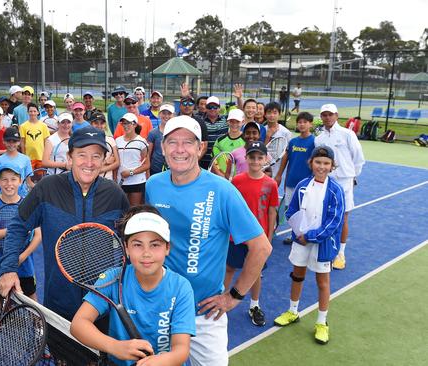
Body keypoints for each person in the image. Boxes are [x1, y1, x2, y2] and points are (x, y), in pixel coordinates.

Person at [145, 115, 272, 365]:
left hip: (204, 314)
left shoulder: (222, 190)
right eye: (172, 142)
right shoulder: (153, 185)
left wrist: (233, 296)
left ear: (201, 147)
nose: (179, 149)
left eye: (188, 142)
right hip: (160, 307)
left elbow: (261, 247)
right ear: (162, 147)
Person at [0, 126, 130, 321]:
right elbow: (18, 226)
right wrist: (9, 269)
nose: (89, 163)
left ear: (104, 161)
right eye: (82, 155)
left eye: (96, 156)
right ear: (69, 158)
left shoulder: (115, 194)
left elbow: (128, 240)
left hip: (102, 304)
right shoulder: (47, 188)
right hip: (59, 303)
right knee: (63, 351)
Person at [71, 205, 196, 366]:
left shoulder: (181, 288)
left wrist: (159, 361)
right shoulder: (112, 278)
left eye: (155, 244)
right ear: (126, 248)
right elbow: (79, 324)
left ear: (167, 248)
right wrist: (115, 346)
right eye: (138, 244)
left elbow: (181, 349)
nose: (146, 253)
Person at [273, 146, 345, 345]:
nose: (322, 166)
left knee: (322, 282)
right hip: (301, 240)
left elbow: (334, 221)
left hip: (322, 244)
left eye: (326, 163)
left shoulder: (336, 190)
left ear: (332, 166)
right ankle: (293, 311)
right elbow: (291, 209)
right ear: (311, 163)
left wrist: (311, 236)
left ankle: (322, 322)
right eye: (318, 162)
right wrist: (297, 230)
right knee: (297, 275)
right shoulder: (303, 185)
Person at [224, 141, 279, 327]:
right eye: (252, 157)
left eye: (259, 157)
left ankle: (254, 306)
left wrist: (269, 237)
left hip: (257, 238)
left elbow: (272, 212)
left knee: (255, 273)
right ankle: (222, 300)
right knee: (229, 268)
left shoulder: (271, 184)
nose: (255, 161)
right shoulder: (237, 181)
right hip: (235, 236)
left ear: (265, 159)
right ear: (246, 158)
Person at [314, 104, 365, 270]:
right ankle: (325, 248)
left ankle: (340, 253)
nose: (327, 117)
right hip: (325, 181)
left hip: (344, 182)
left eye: (330, 114)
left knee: (342, 218)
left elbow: (358, 158)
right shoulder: (319, 138)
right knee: (324, 216)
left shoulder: (348, 134)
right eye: (324, 115)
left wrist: (352, 176)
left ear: (336, 115)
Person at [0, 164, 42, 301]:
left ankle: (38, 324)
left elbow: (38, 235)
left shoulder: (28, 204)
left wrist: (21, 257)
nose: (9, 184)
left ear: (20, 181)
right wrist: (13, 231)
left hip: (25, 266)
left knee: (32, 302)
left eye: (13, 179)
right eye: (5, 180)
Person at [275, 112, 315, 245]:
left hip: (306, 185)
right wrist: (280, 174)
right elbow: (286, 159)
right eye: (300, 122)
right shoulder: (293, 142)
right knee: (291, 211)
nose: (302, 124)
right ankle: (294, 234)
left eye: (305, 122)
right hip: (291, 183)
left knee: (304, 210)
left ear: (311, 124)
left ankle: (303, 235)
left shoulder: (314, 142)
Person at [116, 113, 150, 206]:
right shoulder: (118, 141)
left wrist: (131, 172)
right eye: (123, 123)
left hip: (137, 181)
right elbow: (116, 162)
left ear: (134, 124)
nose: (125, 126)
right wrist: (115, 180)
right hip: (120, 182)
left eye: (128, 123)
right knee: (121, 210)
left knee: (134, 210)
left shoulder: (142, 142)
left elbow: (146, 165)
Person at [0, 127, 35, 196]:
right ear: (3, 141)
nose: (11, 144)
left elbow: (29, 182)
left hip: (22, 196)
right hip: (5, 196)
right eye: (8, 141)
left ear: (19, 142)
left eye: (14, 141)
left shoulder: (25, 159)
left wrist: (40, 189)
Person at [18, 103, 50, 182]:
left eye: (34, 111)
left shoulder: (43, 126)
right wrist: (23, 155)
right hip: (29, 158)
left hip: (40, 156)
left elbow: (46, 141)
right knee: (29, 178)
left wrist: (46, 155)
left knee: (40, 178)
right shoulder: (23, 126)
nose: (32, 113)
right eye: (30, 111)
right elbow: (22, 141)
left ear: (38, 112)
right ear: (28, 112)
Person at [211, 109, 245, 178]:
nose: (234, 124)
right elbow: (214, 162)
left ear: (243, 122)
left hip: (241, 179)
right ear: (227, 122)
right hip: (223, 179)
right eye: (231, 121)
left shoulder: (247, 141)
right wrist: (222, 176)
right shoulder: (220, 140)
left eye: (237, 122)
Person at [197, 96, 228, 170]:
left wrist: (239, 99)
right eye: (210, 107)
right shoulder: (200, 121)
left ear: (219, 108)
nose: (212, 109)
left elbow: (242, 114)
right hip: (203, 161)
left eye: (215, 107)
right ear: (206, 108)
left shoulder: (226, 119)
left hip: (221, 162)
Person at [263, 102, 293, 179]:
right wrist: (268, 136)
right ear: (265, 114)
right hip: (261, 170)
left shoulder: (285, 132)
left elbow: (285, 155)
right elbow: (261, 151)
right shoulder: (262, 130)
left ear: (279, 114)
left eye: (275, 112)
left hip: (276, 172)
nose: (272, 115)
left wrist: (279, 175)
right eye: (269, 112)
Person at [90, 112, 120, 180]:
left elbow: (117, 162)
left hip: (107, 179)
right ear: (91, 124)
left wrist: (102, 170)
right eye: (96, 123)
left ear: (105, 125)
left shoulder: (111, 140)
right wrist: (106, 162)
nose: (99, 126)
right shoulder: (87, 140)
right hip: (91, 179)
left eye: (102, 123)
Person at [147, 104, 174, 176]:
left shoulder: (176, 133)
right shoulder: (153, 132)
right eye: (164, 113)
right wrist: (147, 172)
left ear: (173, 115)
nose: (166, 116)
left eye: (169, 114)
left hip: (173, 169)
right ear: (159, 114)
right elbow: (148, 154)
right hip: (156, 169)